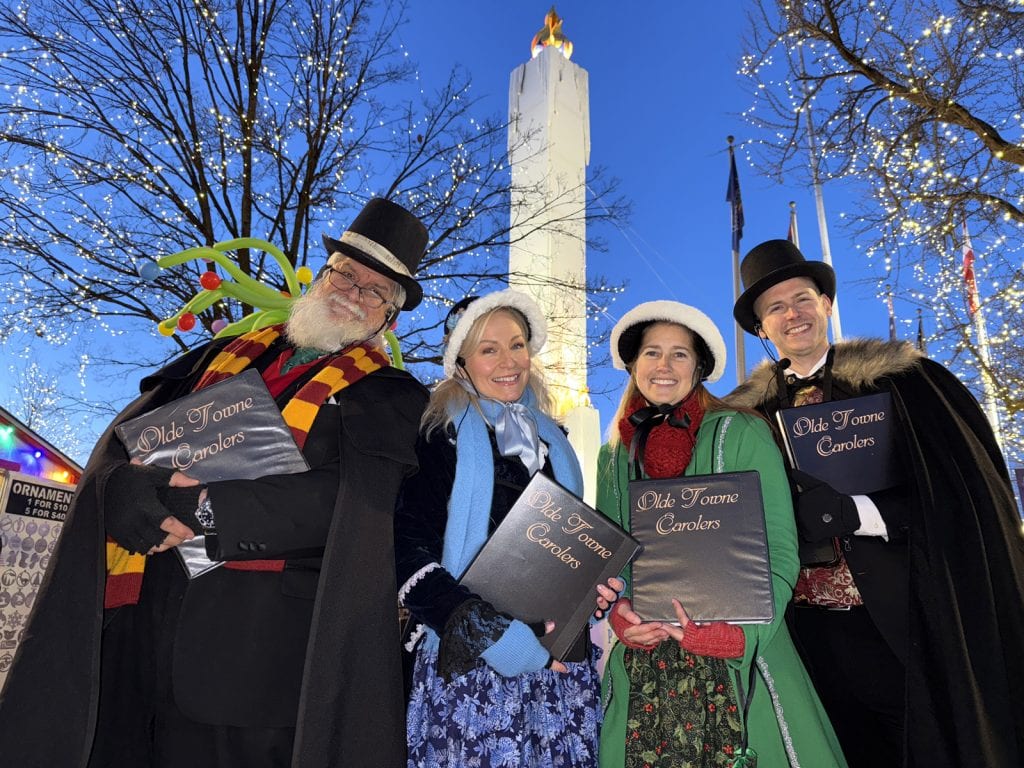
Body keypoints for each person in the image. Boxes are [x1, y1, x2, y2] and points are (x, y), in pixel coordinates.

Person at [0, 198, 431, 768]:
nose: (352, 292)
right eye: (345, 272)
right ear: (322, 275)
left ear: (388, 319)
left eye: (375, 291)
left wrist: (206, 508)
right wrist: (122, 488)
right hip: (138, 627)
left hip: (255, 662)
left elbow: (352, 506)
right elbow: (127, 442)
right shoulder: (221, 354)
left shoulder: (392, 396)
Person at [727, 239, 1024, 768]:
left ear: (826, 305)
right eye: (775, 307)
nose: (791, 314)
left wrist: (860, 515)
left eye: (802, 298)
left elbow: (959, 499)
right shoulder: (744, 422)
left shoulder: (904, 386)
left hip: (903, 623)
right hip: (806, 635)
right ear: (761, 328)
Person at [597, 300, 846, 768]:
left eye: (679, 354)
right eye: (652, 353)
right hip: (647, 665)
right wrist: (622, 613)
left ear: (699, 366)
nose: (664, 366)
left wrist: (739, 639)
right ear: (633, 365)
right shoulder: (614, 455)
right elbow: (612, 558)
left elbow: (779, 549)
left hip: (735, 654)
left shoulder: (742, 432)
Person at [394, 289, 619, 767]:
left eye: (516, 344)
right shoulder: (440, 434)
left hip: (558, 664)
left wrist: (595, 590)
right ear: (461, 361)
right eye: (488, 348)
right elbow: (408, 549)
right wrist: (490, 636)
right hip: (475, 665)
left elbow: (569, 545)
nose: (508, 361)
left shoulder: (552, 438)